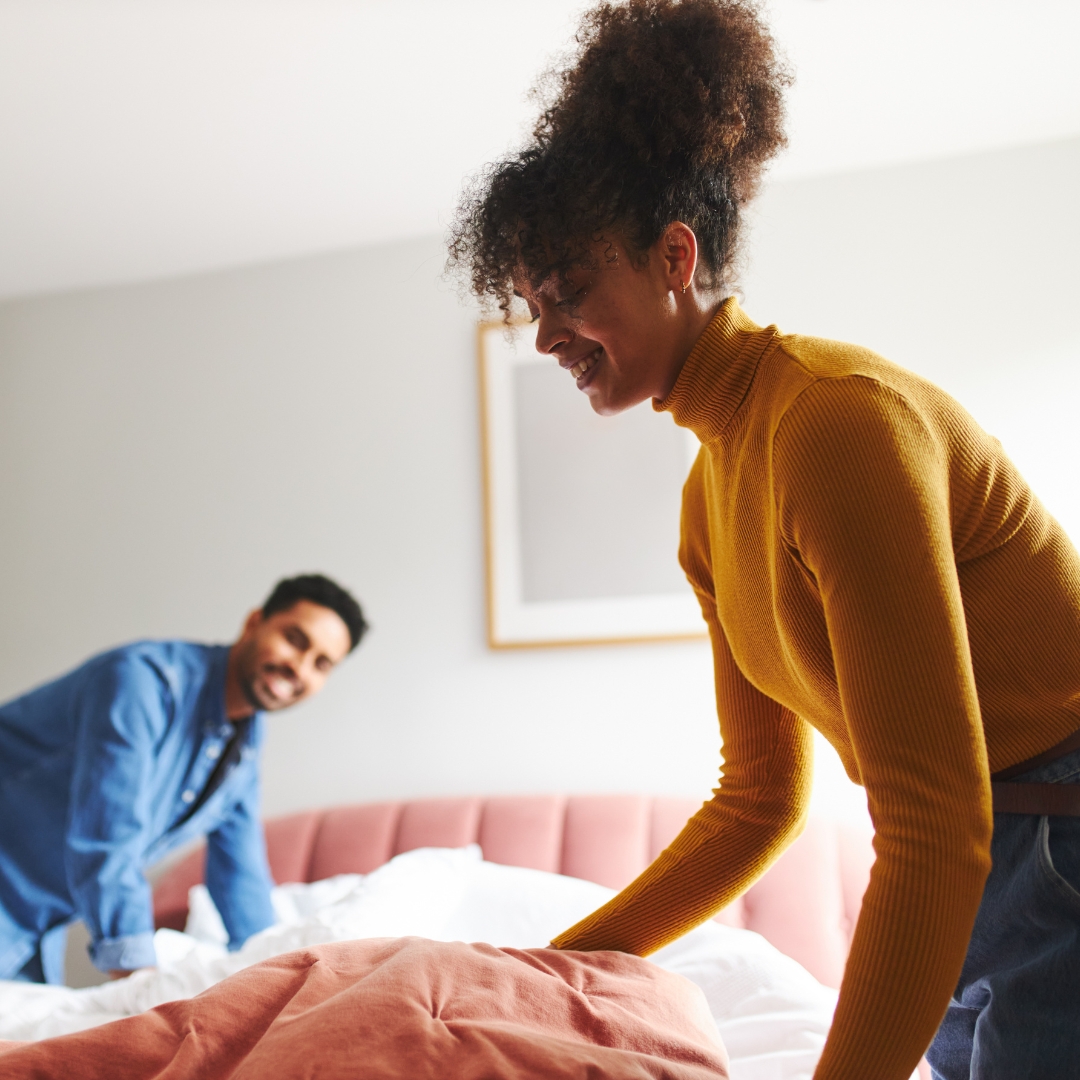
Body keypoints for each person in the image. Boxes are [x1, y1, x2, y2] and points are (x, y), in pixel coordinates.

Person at [448, 2, 1080, 1078]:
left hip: (1053, 843)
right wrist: (547, 968)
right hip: (1000, 867)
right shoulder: (711, 494)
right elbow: (758, 799)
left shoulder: (840, 421)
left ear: (674, 256)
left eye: (566, 294)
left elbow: (935, 813)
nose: (544, 333)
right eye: (528, 304)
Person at [0, 573, 368, 985]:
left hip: (32, 926)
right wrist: (142, 985)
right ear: (254, 623)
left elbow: (240, 874)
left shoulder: (244, 744)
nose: (298, 667)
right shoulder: (142, 682)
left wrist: (278, 980)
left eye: (322, 664)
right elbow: (108, 836)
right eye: (295, 639)